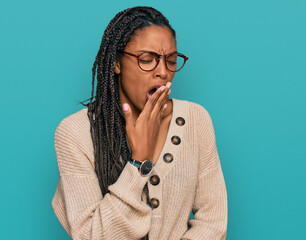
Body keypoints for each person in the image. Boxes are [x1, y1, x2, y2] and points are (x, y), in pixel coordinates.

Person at [51, 6, 227, 240]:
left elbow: (214, 224)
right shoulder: (75, 133)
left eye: (171, 61)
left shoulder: (196, 120)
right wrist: (138, 162)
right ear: (116, 63)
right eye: (147, 59)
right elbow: (91, 235)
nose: (163, 72)